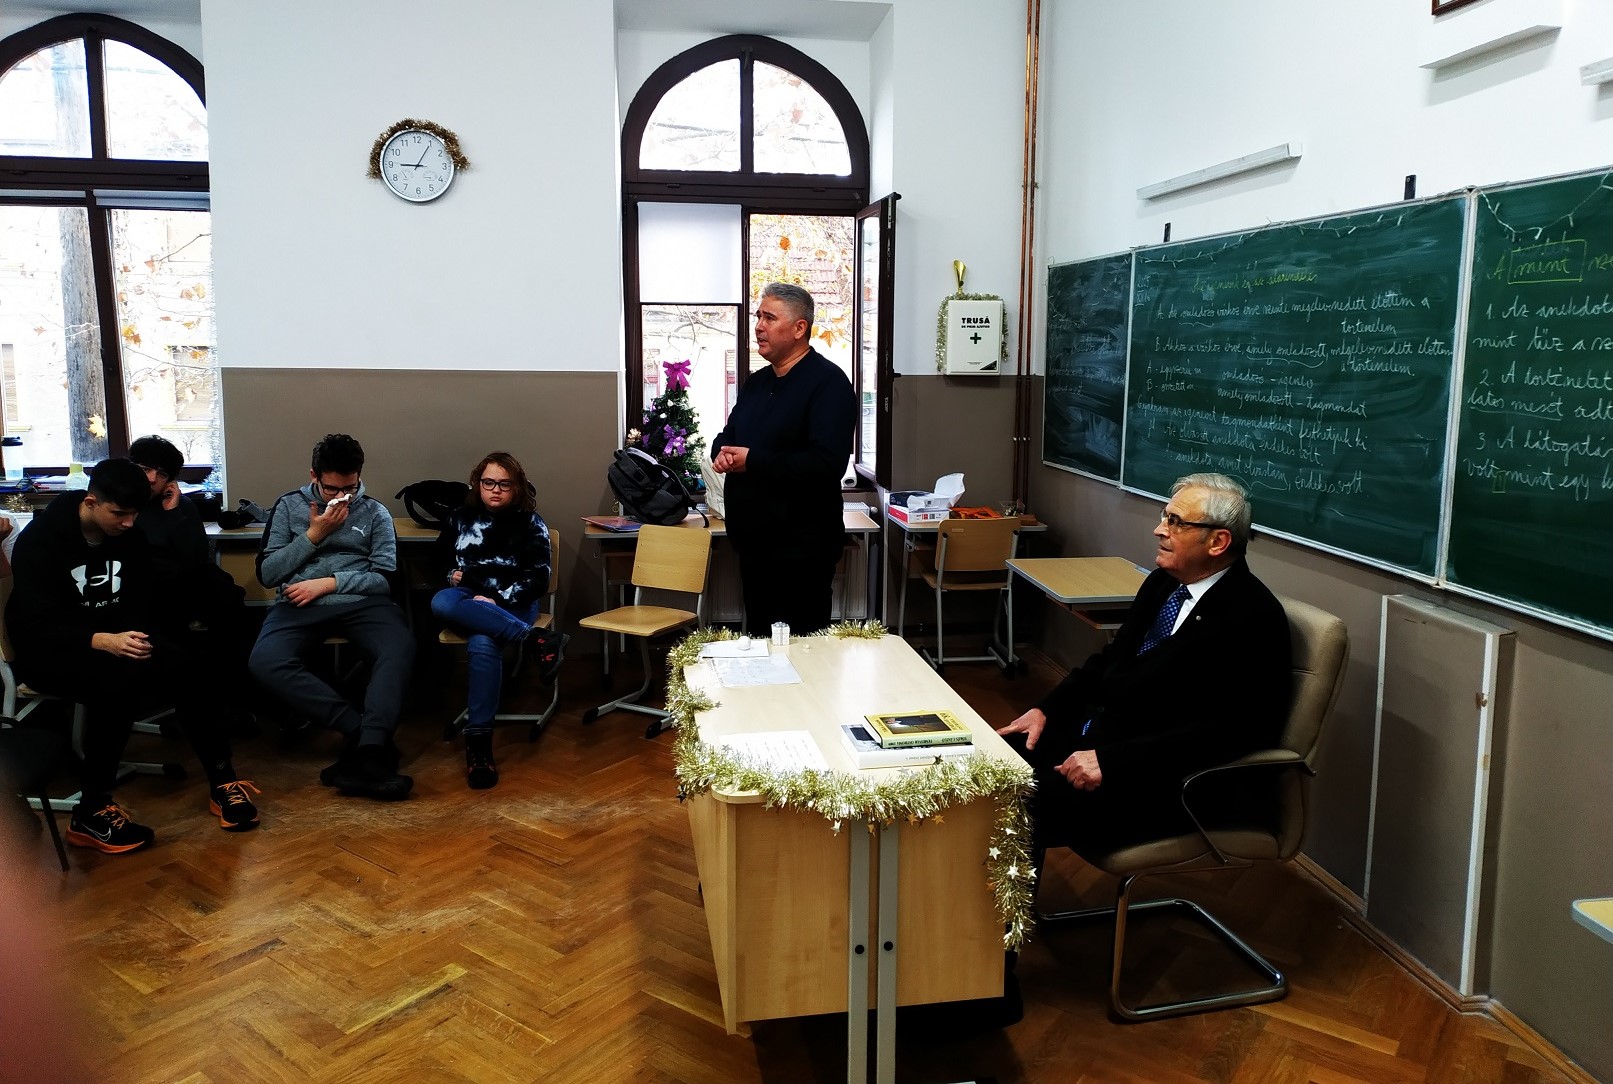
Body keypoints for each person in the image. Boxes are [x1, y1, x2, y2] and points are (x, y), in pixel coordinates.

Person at [996, 473, 1292, 859]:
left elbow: (1232, 732)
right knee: (992, 763)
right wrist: (1047, 710)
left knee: (1019, 802)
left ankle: (1008, 901)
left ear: (1218, 542)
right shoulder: (1162, 584)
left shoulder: (1252, 616)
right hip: (1101, 739)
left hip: (1163, 780)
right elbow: (1109, 661)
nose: (1159, 530)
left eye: (1176, 522)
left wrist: (1111, 762)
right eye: (1164, 516)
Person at [6, 458, 260, 852]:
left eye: (135, 514)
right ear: (90, 502)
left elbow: (139, 600)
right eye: (119, 514)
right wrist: (102, 640)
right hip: (48, 650)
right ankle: (91, 812)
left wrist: (132, 636)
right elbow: (37, 623)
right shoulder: (40, 541)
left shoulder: (129, 536)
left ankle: (223, 781)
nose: (128, 523)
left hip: (115, 640)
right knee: (117, 684)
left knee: (188, 668)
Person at [248, 434, 415, 799]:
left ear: (359, 477)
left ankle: (370, 747)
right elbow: (268, 574)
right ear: (314, 476)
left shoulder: (375, 512)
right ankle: (360, 732)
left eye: (349, 489)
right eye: (331, 489)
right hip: (297, 602)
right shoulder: (288, 506)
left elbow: (385, 579)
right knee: (265, 660)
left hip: (361, 601)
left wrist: (329, 583)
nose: (341, 498)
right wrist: (315, 534)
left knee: (398, 647)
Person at [710, 282, 857, 635]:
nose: (758, 326)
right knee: (760, 643)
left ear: (799, 328)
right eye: (758, 316)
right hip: (754, 544)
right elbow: (730, 434)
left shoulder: (829, 384)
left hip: (801, 549)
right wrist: (722, 452)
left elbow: (826, 464)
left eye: (769, 318)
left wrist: (752, 461)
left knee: (802, 649)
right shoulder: (757, 383)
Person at [430, 452, 566, 789]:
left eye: (504, 484)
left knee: (482, 640)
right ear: (477, 484)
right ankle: (534, 640)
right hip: (466, 600)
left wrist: (498, 599)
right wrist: (450, 575)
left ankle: (479, 746)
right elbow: (437, 563)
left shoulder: (531, 523)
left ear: (517, 488)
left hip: (513, 603)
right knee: (441, 600)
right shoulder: (459, 517)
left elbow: (538, 579)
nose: (495, 490)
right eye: (489, 482)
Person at [127, 435, 255, 731]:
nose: (152, 479)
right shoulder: (120, 506)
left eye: (162, 473)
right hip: (145, 592)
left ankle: (229, 701)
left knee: (229, 604)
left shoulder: (181, 506)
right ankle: (199, 704)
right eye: (145, 469)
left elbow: (196, 558)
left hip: (184, 585)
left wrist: (173, 513)